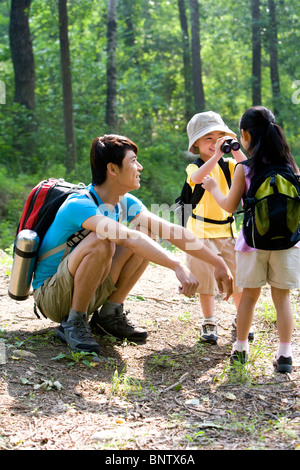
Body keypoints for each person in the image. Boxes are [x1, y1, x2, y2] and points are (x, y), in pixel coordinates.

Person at [32, 134, 233, 355]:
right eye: (133, 161)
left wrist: (217, 262)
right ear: (112, 169)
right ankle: (74, 322)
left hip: (85, 287)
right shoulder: (79, 204)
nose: (140, 167)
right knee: (102, 239)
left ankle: (109, 314)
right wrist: (177, 265)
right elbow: (126, 238)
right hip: (52, 297)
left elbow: (173, 231)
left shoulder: (124, 202)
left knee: (146, 231)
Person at [202, 106, 300, 373]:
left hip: (252, 244)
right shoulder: (290, 165)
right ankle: (285, 356)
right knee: (282, 300)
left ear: (244, 135)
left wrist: (212, 188)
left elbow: (229, 207)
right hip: (288, 243)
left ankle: (241, 348)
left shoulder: (243, 169)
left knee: (248, 298)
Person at [184, 111, 252, 345]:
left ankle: (240, 317)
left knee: (237, 279)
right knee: (205, 282)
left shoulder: (230, 165)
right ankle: (209, 320)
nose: (214, 144)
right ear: (196, 144)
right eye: (208, 139)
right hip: (200, 233)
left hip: (226, 231)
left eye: (219, 138)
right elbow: (197, 179)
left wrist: (233, 149)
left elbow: (248, 168)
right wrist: (215, 157)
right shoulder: (194, 167)